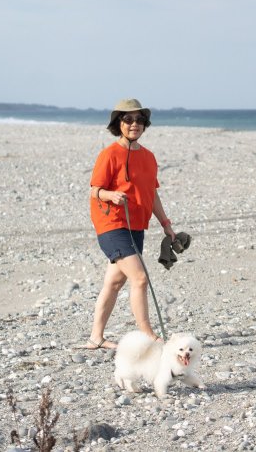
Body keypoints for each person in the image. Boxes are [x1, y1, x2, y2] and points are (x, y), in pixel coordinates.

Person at [85, 99, 175, 349]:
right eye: (128, 119)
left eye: (139, 120)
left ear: (145, 125)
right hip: (111, 223)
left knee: (114, 282)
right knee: (140, 278)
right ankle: (148, 335)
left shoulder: (149, 157)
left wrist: (166, 224)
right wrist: (111, 195)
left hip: (137, 226)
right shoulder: (109, 154)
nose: (134, 124)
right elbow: (94, 190)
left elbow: (152, 193)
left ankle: (96, 338)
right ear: (118, 124)